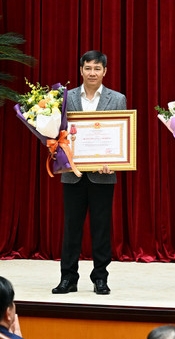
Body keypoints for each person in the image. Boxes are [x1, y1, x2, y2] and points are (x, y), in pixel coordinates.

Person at [52, 50, 127, 296]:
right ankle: (68, 278)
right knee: (71, 227)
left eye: (97, 68)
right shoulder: (65, 98)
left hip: (103, 174)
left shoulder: (117, 99)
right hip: (72, 174)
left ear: (105, 71)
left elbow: (121, 136)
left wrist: (114, 161)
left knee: (101, 228)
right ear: (81, 70)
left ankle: (100, 278)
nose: (92, 73)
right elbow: (57, 132)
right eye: (87, 68)